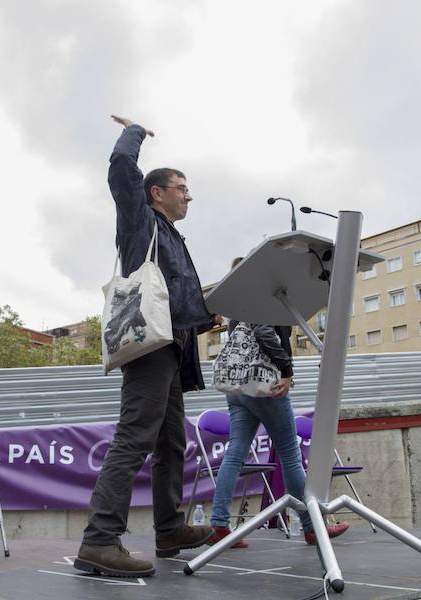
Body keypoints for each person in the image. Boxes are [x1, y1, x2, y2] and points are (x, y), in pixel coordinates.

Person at [74, 115, 219, 578]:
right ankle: (99, 540)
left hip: (173, 348)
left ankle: (169, 528)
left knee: (171, 441)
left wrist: (206, 313)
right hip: (150, 350)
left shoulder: (172, 236)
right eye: (182, 187)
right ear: (156, 193)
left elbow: (173, 296)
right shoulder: (140, 220)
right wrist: (135, 131)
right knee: (136, 436)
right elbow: (120, 166)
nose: (188, 195)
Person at [208, 275, 349, 548]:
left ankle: (219, 524)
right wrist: (286, 369)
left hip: (237, 389)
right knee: (290, 456)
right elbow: (262, 332)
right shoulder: (264, 299)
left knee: (235, 452)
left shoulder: (237, 304)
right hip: (266, 387)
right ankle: (312, 527)